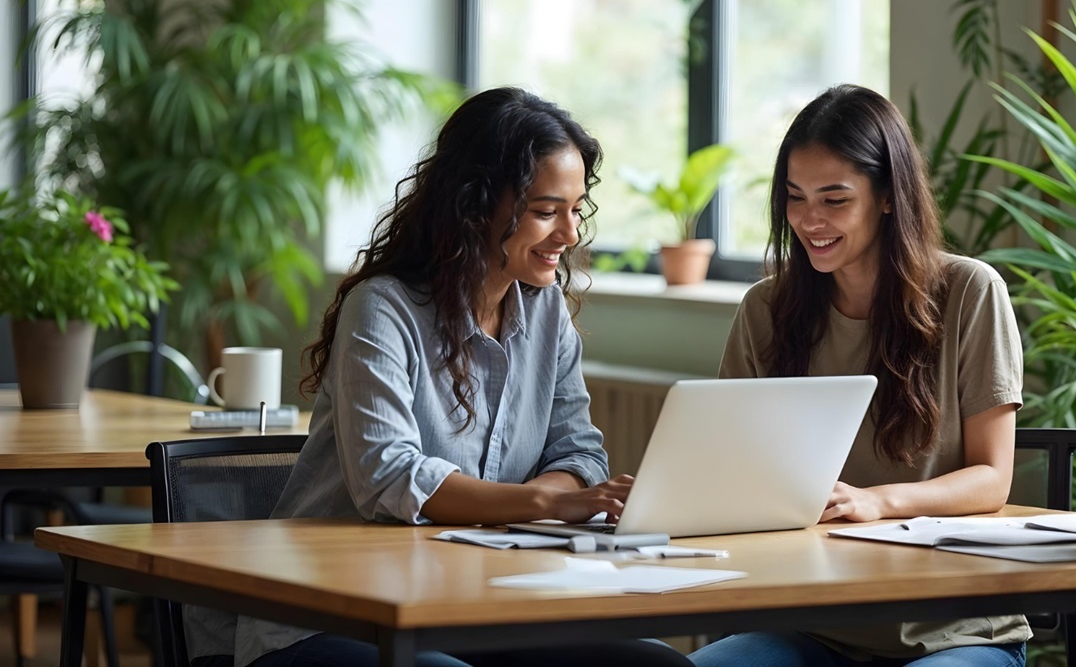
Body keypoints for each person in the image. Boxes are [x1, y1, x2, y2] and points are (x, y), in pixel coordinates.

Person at [225, 87, 693, 667]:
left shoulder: (545, 312)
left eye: (576, 209)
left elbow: (579, 452)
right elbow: (390, 477)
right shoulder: (383, 308)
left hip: (479, 606)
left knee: (655, 665)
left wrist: (559, 498)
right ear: (474, 207)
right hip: (333, 618)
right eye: (547, 211)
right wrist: (545, 501)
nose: (570, 235)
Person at [689, 84, 1027, 667]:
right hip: (809, 626)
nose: (809, 220)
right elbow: (732, 472)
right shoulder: (765, 310)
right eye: (795, 198)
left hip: (954, 631)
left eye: (834, 199)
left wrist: (878, 502)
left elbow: (992, 478)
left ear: (889, 197)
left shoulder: (969, 292)